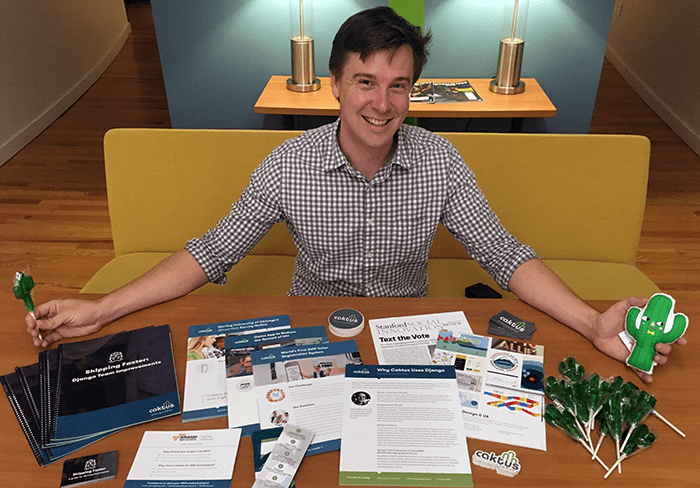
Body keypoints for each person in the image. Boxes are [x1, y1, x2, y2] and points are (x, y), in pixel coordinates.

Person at [26, 7, 684, 384]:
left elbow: (505, 255)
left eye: (399, 85)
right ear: (336, 86)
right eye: (365, 81)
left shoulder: (440, 161)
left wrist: (595, 323)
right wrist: (103, 307)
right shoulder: (289, 163)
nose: (381, 102)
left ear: (413, 92)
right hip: (311, 337)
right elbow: (210, 253)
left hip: (409, 335)